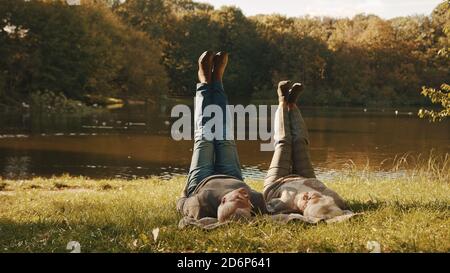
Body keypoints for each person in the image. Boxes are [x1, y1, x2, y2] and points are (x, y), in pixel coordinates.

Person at [176, 51, 268, 223]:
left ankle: (204, 81)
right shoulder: (257, 202)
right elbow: (278, 211)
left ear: (224, 200)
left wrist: (187, 188)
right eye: (248, 202)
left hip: (202, 181)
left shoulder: (198, 205)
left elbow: (180, 203)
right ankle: (217, 79)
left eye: (239, 198)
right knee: (224, 134)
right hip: (232, 175)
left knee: (205, 135)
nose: (246, 195)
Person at [264, 81, 349, 219]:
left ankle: (282, 101)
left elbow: (262, 213)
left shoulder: (283, 205)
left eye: (306, 203)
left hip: (277, 182)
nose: (306, 196)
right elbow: (344, 212)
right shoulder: (334, 199)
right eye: (313, 198)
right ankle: (292, 104)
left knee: (284, 141)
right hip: (307, 177)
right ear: (326, 199)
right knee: (300, 141)